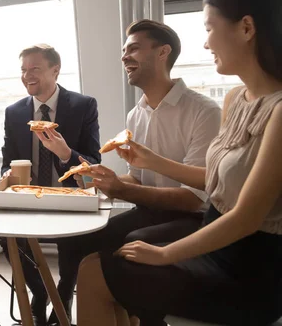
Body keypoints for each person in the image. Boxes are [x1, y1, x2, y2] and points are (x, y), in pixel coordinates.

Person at [77, 0, 282, 326]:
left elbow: (248, 217)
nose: (206, 43)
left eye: (208, 29)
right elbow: (216, 183)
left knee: (96, 273)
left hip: (250, 269)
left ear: (246, 28)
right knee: (95, 266)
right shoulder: (236, 99)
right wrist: (150, 159)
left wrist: (165, 254)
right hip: (215, 239)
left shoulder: (278, 110)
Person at [62, 20, 221, 324]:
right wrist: (101, 179)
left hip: (194, 218)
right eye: (124, 50)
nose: (124, 57)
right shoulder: (136, 114)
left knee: (131, 241)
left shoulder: (204, 111)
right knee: (76, 239)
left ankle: (145, 317)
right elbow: (136, 177)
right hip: (150, 211)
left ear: (163, 53)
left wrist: (121, 189)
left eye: (133, 48)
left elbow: (193, 199)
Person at [0, 43, 101, 325]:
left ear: (55, 70)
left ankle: (64, 295)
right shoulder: (14, 112)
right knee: (8, 240)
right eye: (23, 70)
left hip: (69, 195)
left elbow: (94, 162)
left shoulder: (83, 105)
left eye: (35, 68)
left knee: (77, 241)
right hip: (28, 196)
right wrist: (9, 172)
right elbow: (8, 160)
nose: (27, 75)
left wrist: (66, 154)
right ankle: (41, 292)